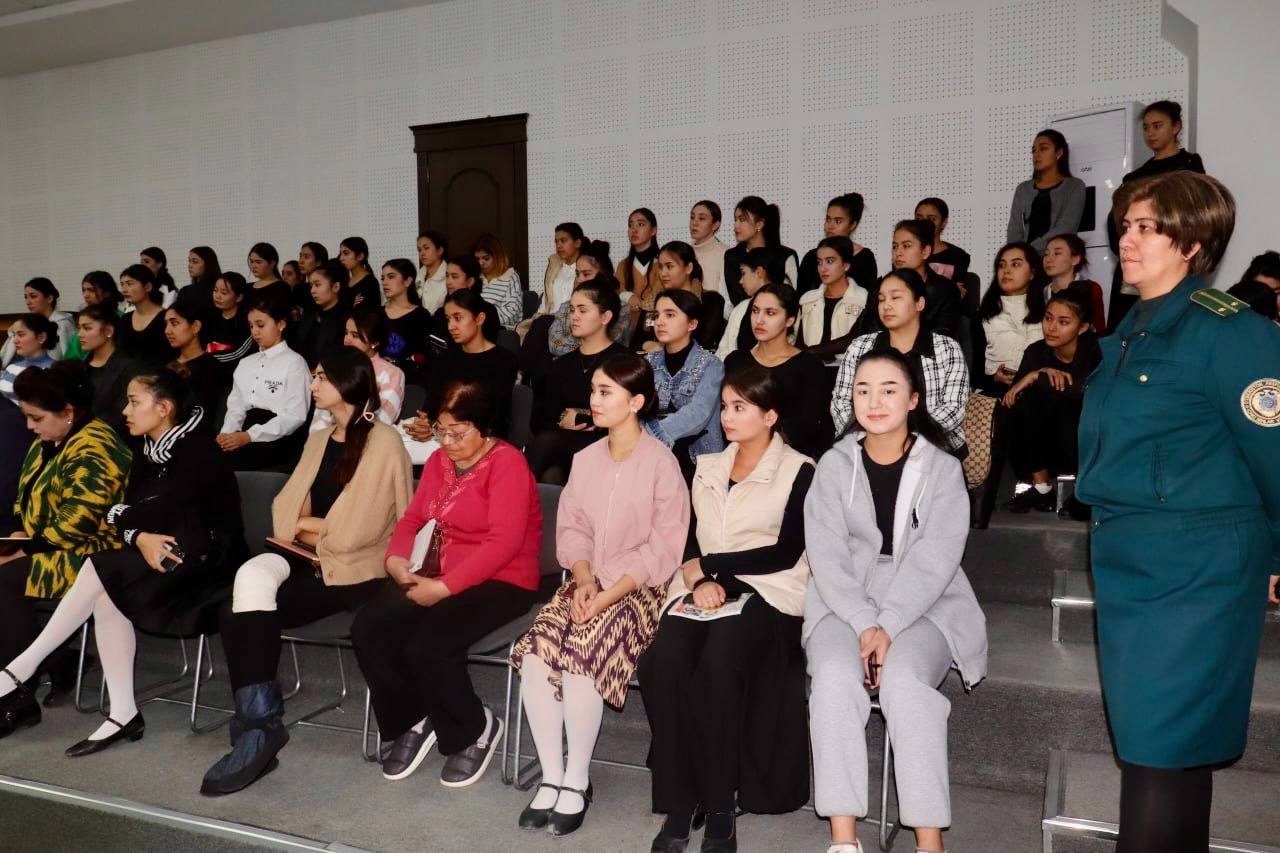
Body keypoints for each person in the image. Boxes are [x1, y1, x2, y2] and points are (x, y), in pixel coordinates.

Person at [1076, 171, 1280, 853]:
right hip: (1131, 562)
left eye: (1146, 228)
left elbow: (1275, 453)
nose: (1126, 240)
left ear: (1192, 244)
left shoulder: (1230, 330)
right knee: (1165, 748)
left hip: (1197, 570)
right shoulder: (1133, 326)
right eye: (1125, 226)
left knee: (1159, 750)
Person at [200, 348, 413, 795]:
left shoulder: (384, 441)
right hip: (308, 558)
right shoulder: (319, 439)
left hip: (358, 572)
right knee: (234, 605)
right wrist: (311, 528)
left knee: (240, 616)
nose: (312, 385)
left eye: (321, 377)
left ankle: (256, 732)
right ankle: (262, 726)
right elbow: (287, 513)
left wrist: (311, 527)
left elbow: (357, 532)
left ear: (348, 383)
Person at [0, 367, 244, 751]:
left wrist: (131, 524)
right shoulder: (144, 448)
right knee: (106, 587)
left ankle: (21, 668)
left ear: (163, 408)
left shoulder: (199, 451)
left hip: (208, 564)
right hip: (162, 554)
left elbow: (154, 511)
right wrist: (136, 531)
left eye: (133, 402)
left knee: (102, 568)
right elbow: (123, 515)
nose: (124, 410)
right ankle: (123, 713)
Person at [805, 349, 987, 853]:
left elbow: (936, 558)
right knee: (834, 680)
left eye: (889, 390)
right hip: (842, 602)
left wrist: (887, 624)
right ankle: (843, 839)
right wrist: (866, 622)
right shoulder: (834, 465)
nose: (874, 401)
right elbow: (826, 556)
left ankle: (930, 841)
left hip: (926, 602)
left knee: (905, 684)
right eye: (862, 390)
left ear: (913, 399)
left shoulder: (943, 469)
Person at [510, 354, 689, 837]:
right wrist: (585, 578)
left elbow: (663, 548)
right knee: (536, 653)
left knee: (581, 656)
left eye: (606, 392)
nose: (594, 399)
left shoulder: (662, 464)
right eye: (593, 389)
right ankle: (551, 776)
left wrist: (608, 594)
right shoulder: (585, 459)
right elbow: (572, 529)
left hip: (638, 590)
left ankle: (577, 779)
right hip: (585, 582)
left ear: (636, 402)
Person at [639, 366, 813, 852]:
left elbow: (786, 552)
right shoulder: (708, 465)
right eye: (725, 406)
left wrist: (712, 568)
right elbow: (691, 540)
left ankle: (719, 806)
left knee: (719, 661)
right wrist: (698, 578)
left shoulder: (800, 469)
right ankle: (680, 800)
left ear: (770, 416)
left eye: (740, 407)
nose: (727, 416)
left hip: (769, 591)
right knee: (662, 661)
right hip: (704, 589)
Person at [354, 378, 543, 786]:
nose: (448, 442)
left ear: (485, 427)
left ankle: (474, 729)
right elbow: (413, 519)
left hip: (504, 579)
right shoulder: (440, 461)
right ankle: (413, 718)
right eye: (442, 431)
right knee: (369, 627)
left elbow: (504, 544)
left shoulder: (508, 464)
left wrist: (443, 589)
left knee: (429, 645)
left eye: (459, 432)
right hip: (439, 570)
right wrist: (396, 559)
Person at [0, 362, 131, 725]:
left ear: (68, 412)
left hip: (91, 552)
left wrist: (24, 549)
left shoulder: (97, 445)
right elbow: (23, 497)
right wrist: (17, 535)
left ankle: (17, 698)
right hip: (47, 544)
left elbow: (80, 519)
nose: (30, 426)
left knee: (5, 582)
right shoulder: (48, 441)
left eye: (36, 418)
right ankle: (60, 660)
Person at [831, 269, 969, 454]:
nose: (886, 306)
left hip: (933, 448)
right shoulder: (860, 347)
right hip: (868, 446)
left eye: (895, 298)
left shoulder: (946, 348)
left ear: (919, 303)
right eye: (881, 300)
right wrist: (875, 439)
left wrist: (904, 439)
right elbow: (841, 402)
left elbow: (953, 409)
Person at [1107, 102, 1208, 331]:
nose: (1150, 133)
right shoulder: (1135, 176)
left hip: (1173, 260)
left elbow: (1197, 214)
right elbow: (1115, 221)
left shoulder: (1189, 165)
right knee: (1128, 326)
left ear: (1176, 127)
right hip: (1135, 259)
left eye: (1157, 126)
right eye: (1146, 127)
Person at [1001, 291, 1101, 513]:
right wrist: (1037, 373)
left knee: (1052, 389)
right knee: (1022, 399)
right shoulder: (1036, 351)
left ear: (1082, 327)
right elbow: (1011, 400)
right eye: (1048, 318)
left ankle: (1086, 491)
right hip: (1046, 445)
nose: (1052, 327)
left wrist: (1042, 378)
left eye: (1063, 322)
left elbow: (1095, 397)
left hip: (1087, 441)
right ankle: (1042, 488)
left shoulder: (1098, 350)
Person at [527, 282, 629, 485]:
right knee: (551, 475)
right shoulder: (562, 363)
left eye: (582, 310)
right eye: (572, 310)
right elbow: (540, 415)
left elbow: (630, 413)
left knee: (546, 445)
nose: (574, 316)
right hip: (562, 442)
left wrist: (585, 419)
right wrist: (562, 420)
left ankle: (513, 493)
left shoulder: (624, 361)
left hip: (606, 441)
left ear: (605, 317)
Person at [724, 284, 833, 460]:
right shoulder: (736, 361)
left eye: (770, 313)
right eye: (755, 311)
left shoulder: (808, 366)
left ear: (790, 320)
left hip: (790, 459)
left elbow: (813, 428)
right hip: (739, 455)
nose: (759, 320)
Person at [216, 294, 311, 472]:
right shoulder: (246, 363)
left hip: (278, 437)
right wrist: (226, 434)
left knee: (223, 465)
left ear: (281, 324)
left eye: (260, 325)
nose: (255, 332)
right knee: (209, 455)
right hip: (244, 432)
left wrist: (249, 436)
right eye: (251, 326)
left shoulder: (295, 363)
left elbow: (294, 416)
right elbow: (236, 407)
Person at [644, 290, 725, 481]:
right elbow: (636, 407)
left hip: (697, 459)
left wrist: (648, 434)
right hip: (652, 454)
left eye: (670, 315)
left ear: (692, 324)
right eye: (657, 315)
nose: (660, 322)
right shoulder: (648, 362)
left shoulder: (711, 365)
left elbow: (698, 413)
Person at [420, 288, 518, 438]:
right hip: (443, 435)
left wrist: (443, 428)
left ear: (479, 319)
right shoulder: (445, 359)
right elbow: (431, 407)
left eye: (458, 318)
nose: (450, 326)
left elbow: (496, 417)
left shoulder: (503, 361)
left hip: (483, 439)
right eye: (448, 319)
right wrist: (425, 424)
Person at [857, 220, 962, 340]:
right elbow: (867, 335)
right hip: (884, 350)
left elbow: (943, 338)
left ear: (925, 252)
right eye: (895, 247)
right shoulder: (880, 287)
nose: (898, 253)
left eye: (906, 246)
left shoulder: (946, 290)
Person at [311, 308, 404, 432]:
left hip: (367, 439)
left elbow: (383, 419)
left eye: (355, 335)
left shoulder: (391, 374)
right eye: (346, 333)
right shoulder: (335, 366)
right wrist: (321, 439)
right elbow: (320, 418)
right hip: (327, 437)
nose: (347, 340)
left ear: (374, 341)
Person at [542, 241, 633, 358]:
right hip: (567, 365)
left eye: (586, 274)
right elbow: (554, 345)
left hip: (606, 366)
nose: (579, 279)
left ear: (603, 275)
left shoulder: (621, 308)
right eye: (577, 274)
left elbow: (610, 345)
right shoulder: (566, 306)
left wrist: (580, 346)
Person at [979, 243, 1047, 393]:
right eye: (1001, 265)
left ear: (1032, 273)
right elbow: (972, 372)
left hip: (1039, 394)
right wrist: (994, 378)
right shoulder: (982, 316)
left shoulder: (1048, 313)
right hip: (996, 395)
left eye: (1015, 264)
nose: (1006, 270)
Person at [633, 241, 725, 351]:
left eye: (669, 266)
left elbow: (704, 342)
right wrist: (647, 345)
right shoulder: (652, 301)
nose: (663, 273)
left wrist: (661, 348)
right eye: (660, 267)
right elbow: (636, 343)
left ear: (688, 268)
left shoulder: (710, 301)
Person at [1006, 129, 1087, 252]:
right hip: (1027, 260)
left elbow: (1066, 227)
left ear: (1059, 153)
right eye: (1033, 151)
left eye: (1043, 149)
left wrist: (1029, 251)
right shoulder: (1022, 189)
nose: (1036, 154)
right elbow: (1014, 230)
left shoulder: (1074, 186)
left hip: (1058, 258)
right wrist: (1019, 255)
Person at [795, 236, 870, 361]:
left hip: (850, 368)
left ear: (846, 265)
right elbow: (798, 341)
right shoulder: (808, 299)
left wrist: (812, 351)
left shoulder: (863, 299)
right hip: (811, 368)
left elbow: (858, 339)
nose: (823, 268)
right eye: (819, 262)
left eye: (829, 261)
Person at [163, 294, 230, 424]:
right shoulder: (165, 363)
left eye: (174, 323)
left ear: (195, 327)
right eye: (166, 324)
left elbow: (206, 413)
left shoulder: (212, 368)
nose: (167, 330)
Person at [722, 196, 800, 305]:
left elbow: (794, 298)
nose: (735, 226)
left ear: (759, 224)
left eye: (742, 219)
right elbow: (726, 300)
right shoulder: (731, 256)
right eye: (735, 220)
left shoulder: (784, 256)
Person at [716, 246, 788, 361]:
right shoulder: (741, 308)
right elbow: (723, 351)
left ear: (759, 272)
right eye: (755, 311)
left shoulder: (787, 304)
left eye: (743, 273)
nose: (740, 281)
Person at [798, 194, 877, 296]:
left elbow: (868, 297)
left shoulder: (864, 258)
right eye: (828, 219)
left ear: (852, 225)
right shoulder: (811, 257)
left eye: (838, 221)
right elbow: (801, 296)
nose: (830, 226)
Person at [77, 304, 137, 436]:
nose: (80, 334)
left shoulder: (129, 368)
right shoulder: (80, 368)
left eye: (87, 328)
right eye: (79, 328)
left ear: (109, 331)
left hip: (113, 438)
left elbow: (120, 416)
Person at [427, 256, 502, 346]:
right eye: (447, 276)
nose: (448, 282)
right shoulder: (441, 312)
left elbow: (485, 346)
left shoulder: (487, 311)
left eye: (454, 277)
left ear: (470, 281)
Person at [379, 258, 431, 385]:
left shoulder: (421, 315)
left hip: (410, 382)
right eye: (383, 278)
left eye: (391, 277)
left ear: (407, 281)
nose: (385, 282)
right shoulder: (376, 313)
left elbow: (425, 355)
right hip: (380, 379)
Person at [1, 278, 76, 365]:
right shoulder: (23, 324)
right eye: (26, 297)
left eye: (33, 296)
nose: (28, 302)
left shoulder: (63, 324)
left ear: (49, 298)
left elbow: (67, 359)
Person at [1042, 233, 1106, 332]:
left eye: (1057, 253)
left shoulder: (1091, 288)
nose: (1048, 259)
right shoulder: (1043, 291)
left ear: (1075, 259)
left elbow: (1099, 329)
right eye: (1046, 254)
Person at [293, 260, 350, 370]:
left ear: (336, 287)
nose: (312, 290)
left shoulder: (346, 319)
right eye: (311, 285)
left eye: (317, 285)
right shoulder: (309, 314)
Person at [116, 264, 171, 367]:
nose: (124, 290)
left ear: (147, 287)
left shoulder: (166, 318)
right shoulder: (125, 319)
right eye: (122, 285)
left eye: (129, 284)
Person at [915, 197, 970, 291]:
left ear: (943, 222)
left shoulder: (958, 256)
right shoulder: (906, 252)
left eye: (931, 219)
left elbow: (958, 292)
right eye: (919, 218)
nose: (924, 223)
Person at [0, 315, 57, 405]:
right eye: (14, 335)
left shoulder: (54, 371)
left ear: (41, 337)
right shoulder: (11, 368)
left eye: (21, 335)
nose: (15, 340)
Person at [534, 223, 587, 318]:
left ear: (577, 243)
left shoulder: (586, 270)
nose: (558, 245)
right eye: (556, 241)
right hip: (549, 320)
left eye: (563, 241)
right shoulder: (554, 267)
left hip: (573, 320)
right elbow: (545, 304)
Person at [204, 272, 255, 369]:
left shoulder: (246, 321)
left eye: (224, 293)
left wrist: (207, 359)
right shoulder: (210, 316)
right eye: (215, 290)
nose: (217, 296)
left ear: (239, 297)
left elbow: (238, 353)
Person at [618, 208, 663, 318]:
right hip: (628, 323)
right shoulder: (623, 265)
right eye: (631, 225)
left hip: (657, 321)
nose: (634, 230)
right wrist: (627, 297)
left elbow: (659, 293)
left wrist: (640, 304)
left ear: (653, 231)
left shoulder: (663, 263)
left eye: (641, 224)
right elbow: (617, 290)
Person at [473, 232, 524, 330]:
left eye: (486, 258)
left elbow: (512, 313)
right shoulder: (474, 278)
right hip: (475, 328)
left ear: (497, 257)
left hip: (501, 330)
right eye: (477, 259)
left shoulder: (510, 276)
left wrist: (483, 319)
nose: (480, 263)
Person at [689, 200, 729, 307]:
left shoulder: (726, 254)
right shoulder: (684, 252)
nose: (694, 223)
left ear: (715, 225)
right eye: (692, 217)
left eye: (701, 218)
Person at [339, 236, 380, 310]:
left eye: (346, 253)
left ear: (360, 256)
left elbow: (367, 311)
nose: (341, 258)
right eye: (340, 254)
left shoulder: (370, 282)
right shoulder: (344, 280)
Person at [415, 231, 448, 313]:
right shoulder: (419, 274)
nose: (422, 253)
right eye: (419, 250)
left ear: (440, 250)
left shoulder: (449, 275)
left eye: (426, 248)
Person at [184, 246, 222, 315]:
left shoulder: (217, 289)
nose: (190, 265)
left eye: (195, 262)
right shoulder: (186, 291)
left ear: (208, 264)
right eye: (189, 261)